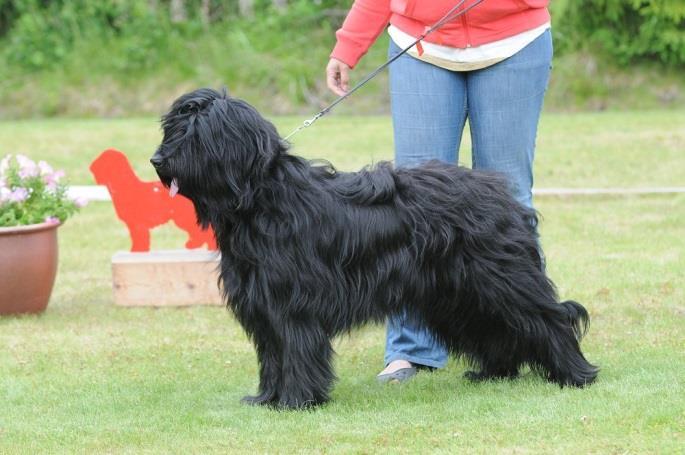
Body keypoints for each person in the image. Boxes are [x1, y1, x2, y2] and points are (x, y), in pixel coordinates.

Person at [325, 0, 553, 382]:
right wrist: (348, 46)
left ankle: (531, 343)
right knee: (409, 208)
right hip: (421, 45)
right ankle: (411, 351)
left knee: (509, 199)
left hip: (515, 39)